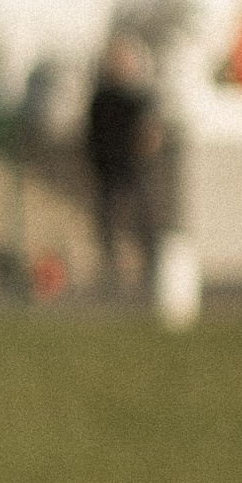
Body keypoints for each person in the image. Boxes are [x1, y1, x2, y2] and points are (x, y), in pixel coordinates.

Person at [85, 27, 164, 292]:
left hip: (131, 168)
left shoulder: (135, 98)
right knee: (109, 220)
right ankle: (113, 266)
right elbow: (92, 135)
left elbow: (149, 134)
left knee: (144, 216)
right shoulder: (101, 99)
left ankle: (153, 261)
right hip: (107, 168)